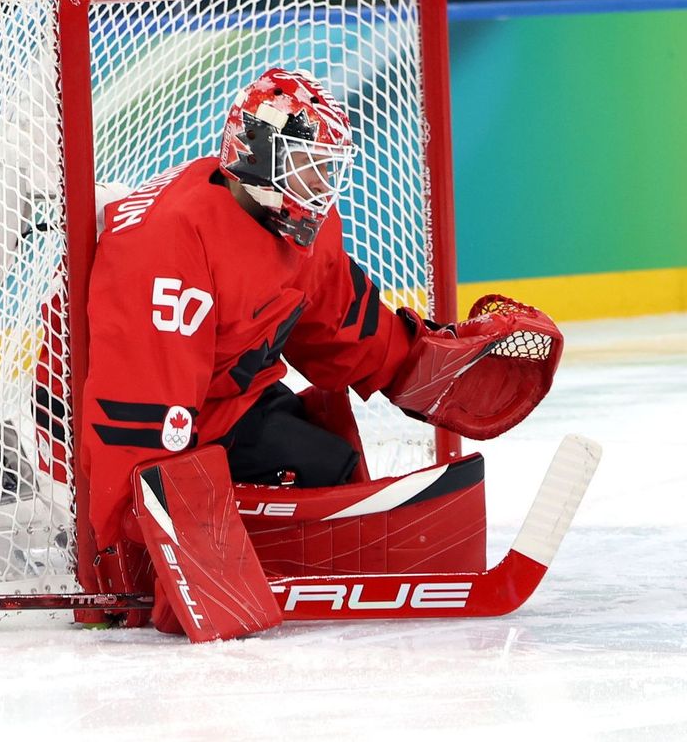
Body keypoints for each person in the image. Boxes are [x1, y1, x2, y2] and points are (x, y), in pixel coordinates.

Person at [78, 67, 562, 632]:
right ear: (257, 153)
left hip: (219, 400)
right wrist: (123, 552)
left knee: (331, 467)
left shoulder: (295, 223)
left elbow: (339, 321)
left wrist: (414, 364)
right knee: (274, 482)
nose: (323, 181)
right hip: (104, 422)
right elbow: (134, 413)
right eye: (309, 163)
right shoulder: (170, 244)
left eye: (328, 166)